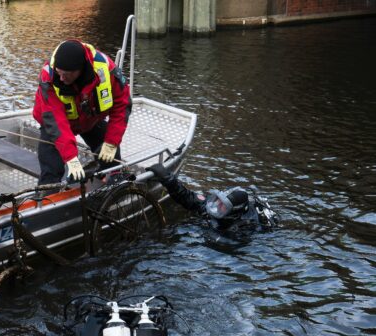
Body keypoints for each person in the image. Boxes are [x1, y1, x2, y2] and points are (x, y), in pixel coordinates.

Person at [33, 39, 132, 184]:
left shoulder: (105, 68)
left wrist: (112, 142)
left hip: (90, 119)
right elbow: (55, 120)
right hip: (56, 123)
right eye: (59, 73)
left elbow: (122, 104)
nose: (61, 78)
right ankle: (46, 198)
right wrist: (71, 158)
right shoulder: (48, 76)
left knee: (110, 153)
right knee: (51, 168)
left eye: (66, 75)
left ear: (79, 70)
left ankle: (111, 179)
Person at [149, 163, 279, 231]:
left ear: (233, 213)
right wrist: (167, 178)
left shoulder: (240, 228)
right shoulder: (214, 205)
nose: (216, 206)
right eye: (218, 201)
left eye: (222, 206)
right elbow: (186, 196)